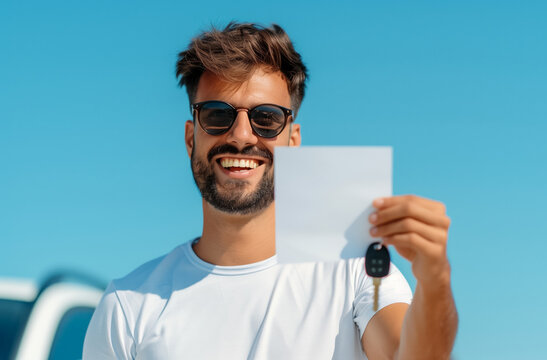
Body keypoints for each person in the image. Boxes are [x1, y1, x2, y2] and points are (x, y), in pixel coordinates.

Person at [83, 22, 458, 359]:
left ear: (293, 140)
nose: (241, 135)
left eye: (266, 119)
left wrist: (435, 279)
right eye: (217, 115)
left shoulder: (356, 272)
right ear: (189, 137)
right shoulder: (127, 306)